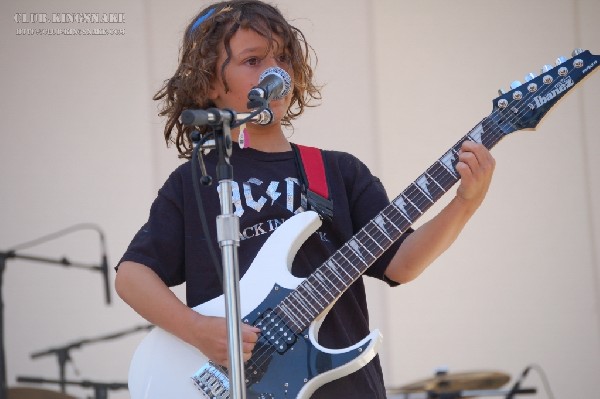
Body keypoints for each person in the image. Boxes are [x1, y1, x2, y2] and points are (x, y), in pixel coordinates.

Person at [114, 1, 495, 398]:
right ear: (210, 84)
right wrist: (197, 331)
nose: (274, 70)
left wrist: (464, 203)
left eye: (282, 58)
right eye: (253, 60)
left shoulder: (337, 172)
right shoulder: (197, 182)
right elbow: (132, 276)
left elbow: (401, 263)